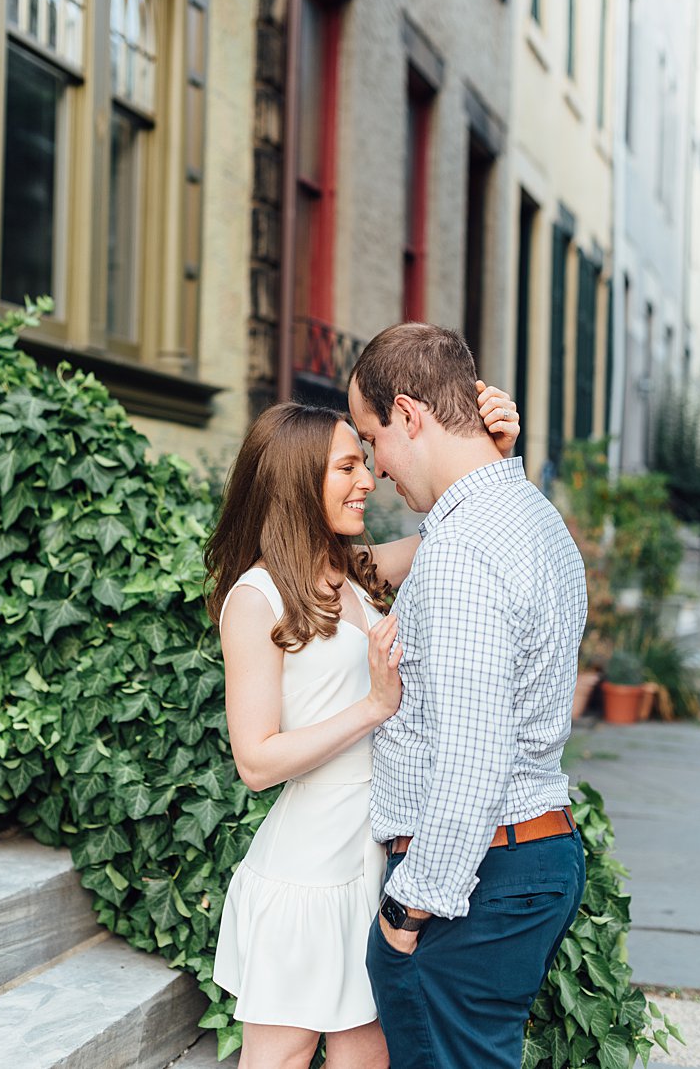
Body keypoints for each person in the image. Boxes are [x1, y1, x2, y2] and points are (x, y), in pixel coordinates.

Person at [205, 383, 519, 1069]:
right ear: (296, 479)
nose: (369, 479)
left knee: (369, 1060)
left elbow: (451, 528)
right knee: (281, 1059)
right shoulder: (255, 599)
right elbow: (255, 762)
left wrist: (493, 457)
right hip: (308, 872)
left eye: (364, 461)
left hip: (375, 863)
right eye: (346, 466)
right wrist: (374, 707)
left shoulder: (351, 574)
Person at [348, 322, 587, 1069]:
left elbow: (473, 758)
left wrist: (405, 910)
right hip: (531, 859)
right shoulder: (535, 519)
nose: (377, 468)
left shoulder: (461, 553)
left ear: (411, 415)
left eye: (372, 436)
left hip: (474, 880)